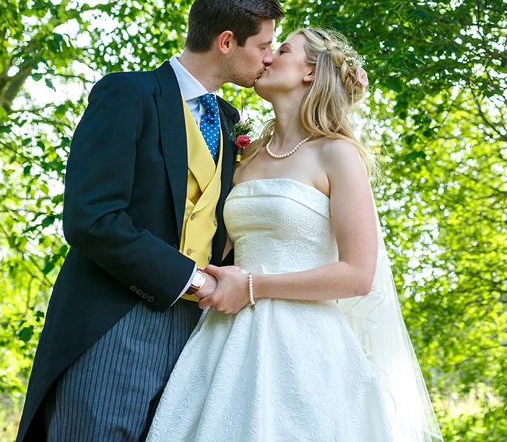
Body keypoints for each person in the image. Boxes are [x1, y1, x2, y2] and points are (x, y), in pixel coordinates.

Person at [16, 0, 285, 442]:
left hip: (198, 335)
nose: (269, 56)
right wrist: (195, 279)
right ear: (226, 42)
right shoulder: (126, 95)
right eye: (263, 45)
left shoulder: (228, 121)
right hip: (115, 323)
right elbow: (92, 218)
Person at [146, 28, 441, 442]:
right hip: (223, 339)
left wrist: (252, 286)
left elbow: (357, 275)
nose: (266, 58)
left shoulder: (337, 154)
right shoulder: (243, 157)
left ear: (310, 73)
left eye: (281, 50)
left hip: (305, 346)